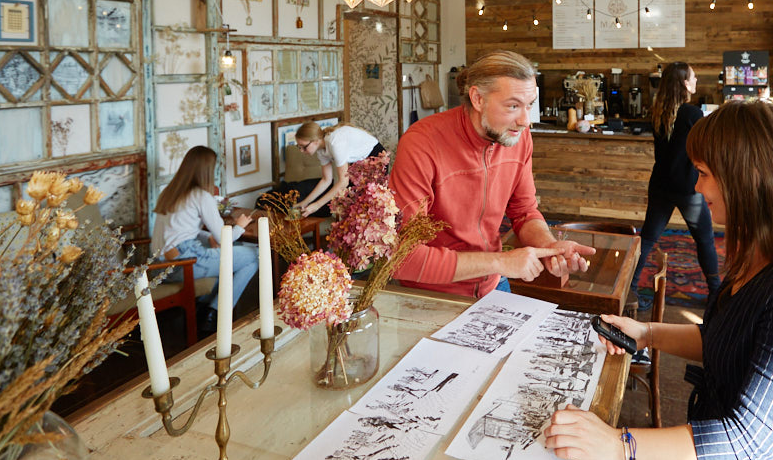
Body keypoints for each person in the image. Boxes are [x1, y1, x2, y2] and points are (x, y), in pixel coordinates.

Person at [544, 99, 773, 460]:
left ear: (751, 176)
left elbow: (748, 442)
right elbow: (728, 340)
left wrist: (618, 446)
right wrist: (647, 333)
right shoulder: (760, 255)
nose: (696, 186)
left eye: (705, 174)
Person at [391, 50, 596, 297]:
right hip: (433, 294)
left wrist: (549, 246)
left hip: (492, 284)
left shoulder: (519, 137)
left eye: (529, 105)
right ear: (477, 98)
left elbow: (524, 212)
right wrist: (500, 262)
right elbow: (402, 258)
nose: (525, 121)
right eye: (513, 106)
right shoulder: (422, 143)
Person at [631, 62, 720, 306]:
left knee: (648, 238)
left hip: (660, 184)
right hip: (688, 188)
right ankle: (716, 294)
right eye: (693, 76)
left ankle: (630, 288)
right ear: (684, 83)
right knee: (704, 239)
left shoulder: (658, 111)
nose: (696, 80)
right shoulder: (692, 114)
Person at [151, 145, 260, 334]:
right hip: (186, 262)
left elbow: (179, 231)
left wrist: (206, 236)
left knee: (237, 259)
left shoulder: (169, 192)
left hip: (162, 266)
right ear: (207, 170)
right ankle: (214, 312)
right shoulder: (201, 196)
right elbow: (224, 239)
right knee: (256, 255)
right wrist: (240, 226)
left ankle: (207, 307)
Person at [259, 122, 385, 216]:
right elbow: (326, 180)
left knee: (363, 204)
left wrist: (316, 206)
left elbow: (343, 182)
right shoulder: (321, 150)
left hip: (375, 157)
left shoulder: (335, 143)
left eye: (304, 147)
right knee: (351, 204)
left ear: (315, 141)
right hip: (358, 163)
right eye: (299, 147)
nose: (302, 151)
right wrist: (305, 202)